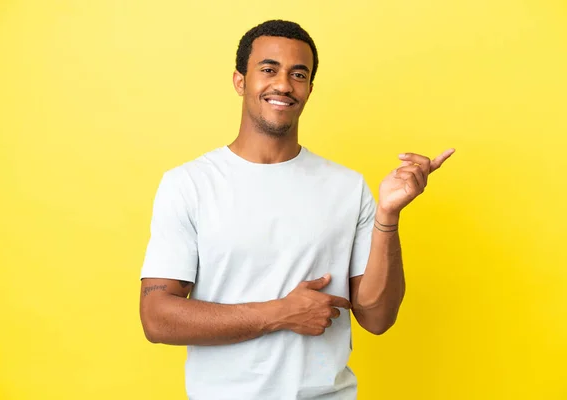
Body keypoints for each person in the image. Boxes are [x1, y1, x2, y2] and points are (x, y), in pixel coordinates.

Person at [139, 19, 454, 400]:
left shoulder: (347, 187)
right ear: (241, 81)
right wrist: (280, 313)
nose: (284, 85)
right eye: (269, 69)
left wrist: (388, 216)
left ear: (309, 89)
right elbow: (157, 318)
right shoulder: (189, 184)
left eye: (298, 74)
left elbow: (377, 318)